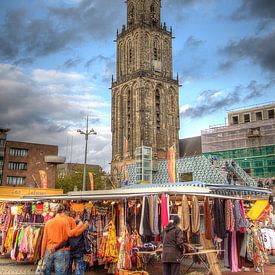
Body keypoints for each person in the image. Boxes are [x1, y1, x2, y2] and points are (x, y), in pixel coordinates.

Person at [41, 204, 88, 275]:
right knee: (60, 272)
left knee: (47, 272)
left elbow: (44, 239)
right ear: (63, 212)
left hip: (49, 250)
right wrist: (80, 226)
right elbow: (70, 234)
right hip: (61, 250)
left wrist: (42, 254)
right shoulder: (64, 221)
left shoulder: (48, 222)